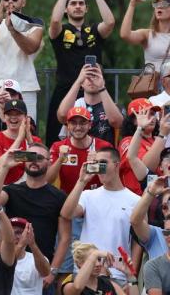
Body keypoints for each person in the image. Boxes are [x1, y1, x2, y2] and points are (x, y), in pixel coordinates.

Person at [45, 0, 115, 146]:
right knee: (57, 141)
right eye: (73, 3)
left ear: (86, 8)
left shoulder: (93, 30)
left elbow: (110, 22)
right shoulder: (60, 31)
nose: (77, 6)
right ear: (65, 9)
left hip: (94, 92)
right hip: (65, 92)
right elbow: (54, 21)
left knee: (100, 139)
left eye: (81, 3)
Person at [0, 146, 67, 287]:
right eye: (30, 157)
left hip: (42, 268)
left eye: (40, 158)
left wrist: (52, 272)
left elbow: (65, 238)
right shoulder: (12, 190)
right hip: (12, 265)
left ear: (49, 162)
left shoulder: (59, 197)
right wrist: (5, 166)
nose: (34, 161)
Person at [60, 147, 140, 285]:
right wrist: (81, 181)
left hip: (118, 274)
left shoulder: (136, 200)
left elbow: (137, 243)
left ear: (116, 165)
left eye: (103, 163)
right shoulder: (87, 195)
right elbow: (67, 214)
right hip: (85, 272)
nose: (98, 168)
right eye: (95, 163)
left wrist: (132, 275)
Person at [0, 0, 44, 118]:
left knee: (28, 130)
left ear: (23, 2)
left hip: (25, 88)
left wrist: (13, 30)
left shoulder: (34, 26)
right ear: (1, 2)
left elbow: (30, 48)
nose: (10, 1)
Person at [49, 106, 114, 195]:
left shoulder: (104, 147)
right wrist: (60, 160)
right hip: (68, 200)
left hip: (96, 200)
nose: (78, 127)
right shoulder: (58, 147)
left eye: (83, 123)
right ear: (68, 125)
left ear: (90, 125)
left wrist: (97, 164)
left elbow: (113, 177)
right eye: (73, 123)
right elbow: (48, 180)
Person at [55, 64, 123, 147]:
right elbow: (62, 116)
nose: (91, 80)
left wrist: (101, 87)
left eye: (95, 75)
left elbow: (117, 122)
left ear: (103, 80)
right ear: (82, 83)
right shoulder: (74, 106)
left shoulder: (113, 106)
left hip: (104, 155)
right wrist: (78, 81)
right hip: (77, 155)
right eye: (87, 76)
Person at [0, 89, 41, 185]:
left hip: (27, 189)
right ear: (4, 117)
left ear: (26, 118)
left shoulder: (35, 140)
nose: (13, 117)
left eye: (18, 114)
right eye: (9, 114)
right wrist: (19, 139)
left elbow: (39, 162)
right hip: (2, 189)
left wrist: (29, 139)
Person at [120, 0, 170, 69]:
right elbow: (125, 35)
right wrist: (132, 4)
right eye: (156, 4)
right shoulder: (147, 34)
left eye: (164, 4)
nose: (159, 7)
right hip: (153, 80)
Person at [61, 243, 127, 295]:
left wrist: (131, 277)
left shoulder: (108, 284)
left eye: (99, 259)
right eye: (92, 260)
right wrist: (95, 254)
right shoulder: (69, 286)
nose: (98, 264)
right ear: (79, 263)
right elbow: (77, 287)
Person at [8, 219, 49, 295]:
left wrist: (32, 244)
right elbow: (7, 264)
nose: (14, 236)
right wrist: (21, 244)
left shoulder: (36, 258)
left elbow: (45, 272)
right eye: (10, 233)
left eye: (18, 233)